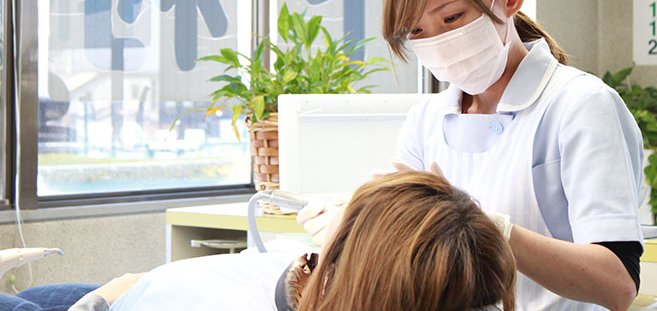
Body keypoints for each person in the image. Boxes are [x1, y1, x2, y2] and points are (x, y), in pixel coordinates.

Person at [377, 0, 643, 310]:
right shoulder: (425, 122)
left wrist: (486, 227)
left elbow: (616, 283)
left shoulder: (580, 106)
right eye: (416, 31)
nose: (438, 42)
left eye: (452, 17)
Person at [0, 172, 516, 311]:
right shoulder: (322, 278)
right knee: (37, 295)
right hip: (133, 290)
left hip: (118, 301)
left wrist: (107, 299)